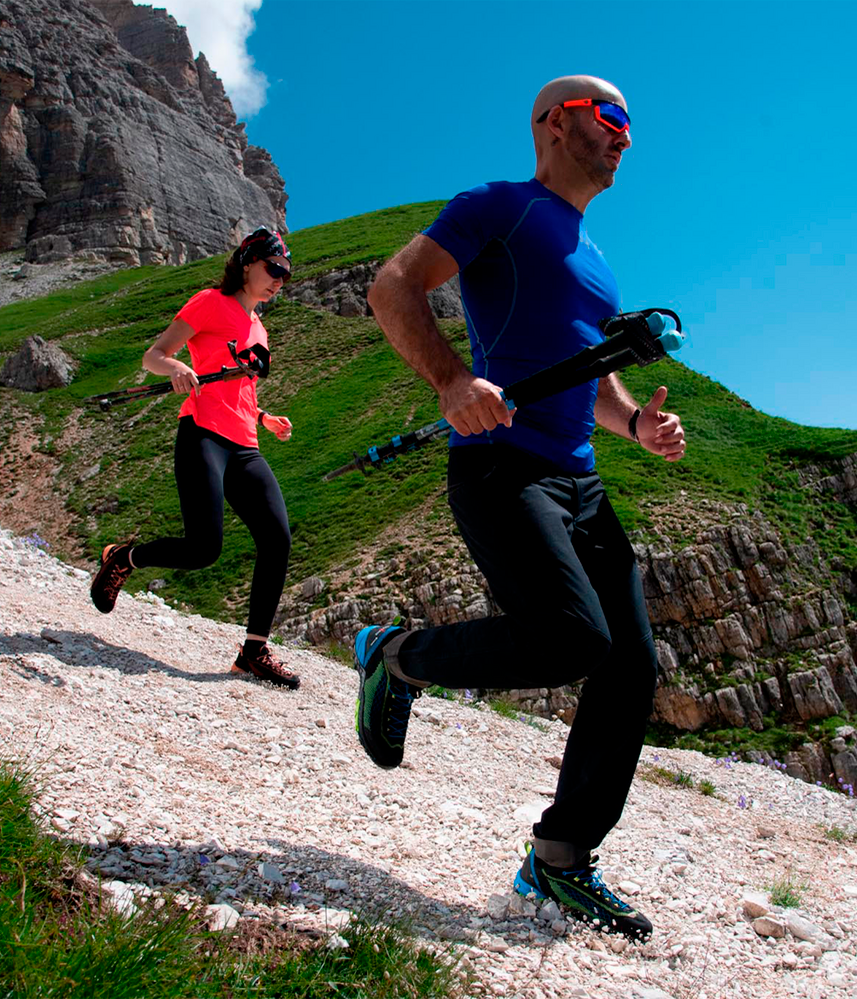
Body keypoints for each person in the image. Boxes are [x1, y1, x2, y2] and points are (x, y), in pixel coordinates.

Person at [353, 76, 687, 938]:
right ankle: (398, 657)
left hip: (580, 481)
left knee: (630, 667)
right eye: (610, 116)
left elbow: (591, 374)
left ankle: (560, 859)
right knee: (572, 636)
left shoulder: (596, 258)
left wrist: (637, 425)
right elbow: (393, 285)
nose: (625, 135)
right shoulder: (499, 206)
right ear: (555, 123)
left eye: (629, 123)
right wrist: (451, 380)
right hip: (502, 465)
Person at [90, 226, 300, 690]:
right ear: (247, 263)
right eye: (273, 269)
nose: (279, 280)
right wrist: (177, 367)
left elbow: (239, 389)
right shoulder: (209, 302)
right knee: (204, 549)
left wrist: (264, 417)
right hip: (202, 435)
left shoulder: (259, 328)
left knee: (277, 538)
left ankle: (253, 652)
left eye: (285, 274)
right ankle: (124, 557)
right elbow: (153, 356)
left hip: (245, 443)